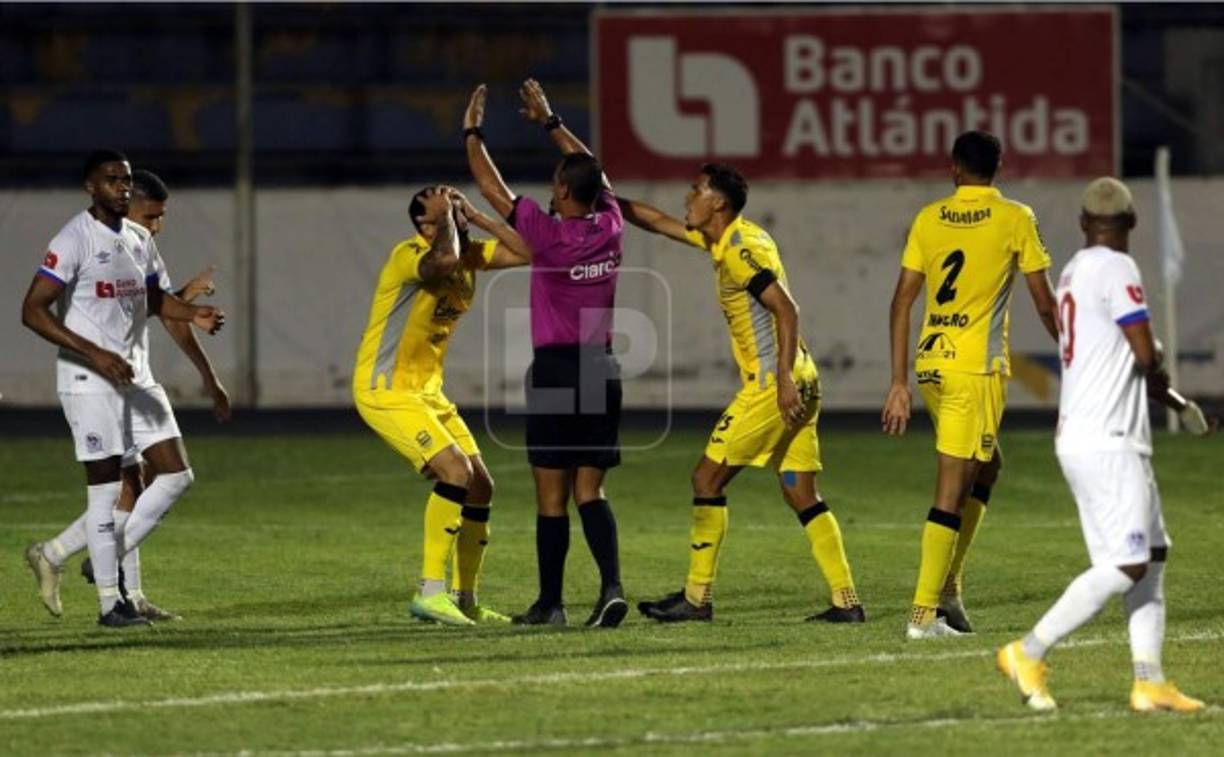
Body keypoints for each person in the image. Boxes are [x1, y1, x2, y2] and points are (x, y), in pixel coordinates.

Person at [997, 177, 1212, 712]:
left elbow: (1118, 357)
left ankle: (1149, 680)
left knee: (1152, 554)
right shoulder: (1118, 268)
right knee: (1129, 564)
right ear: (1132, 222)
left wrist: (1163, 390)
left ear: (1083, 223)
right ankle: (1029, 650)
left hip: (1091, 435)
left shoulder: (1073, 272)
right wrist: (1159, 361)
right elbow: (1142, 356)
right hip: (1107, 440)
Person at [618, 165, 865, 624]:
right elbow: (653, 220)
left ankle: (696, 599)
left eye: (696, 190)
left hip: (776, 386)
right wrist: (599, 189)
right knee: (800, 492)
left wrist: (784, 379)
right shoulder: (727, 238)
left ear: (718, 203)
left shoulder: (739, 249)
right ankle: (846, 602)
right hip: (804, 379)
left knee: (705, 481)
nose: (687, 197)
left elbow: (787, 309)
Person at [20, 150, 224, 627]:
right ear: (90, 186)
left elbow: (152, 298)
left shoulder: (137, 238)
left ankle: (84, 556)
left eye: (126, 180)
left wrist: (190, 310)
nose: (121, 187)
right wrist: (92, 352)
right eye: (111, 180)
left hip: (133, 376)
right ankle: (113, 601)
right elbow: (33, 310)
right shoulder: (74, 239)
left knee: (174, 474)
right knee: (110, 488)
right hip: (89, 379)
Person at [882, 131, 1059, 639]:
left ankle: (950, 588)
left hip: (931, 364)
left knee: (988, 466)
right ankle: (923, 615)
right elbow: (1045, 303)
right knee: (952, 486)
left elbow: (901, 302)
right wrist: (1075, 351)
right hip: (973, 371)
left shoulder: (929, 217)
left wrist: (898, 382)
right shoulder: (1016, 218)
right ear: (999, 167)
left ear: (954, 168)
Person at [464, 79, 628, 627]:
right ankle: (610, 587)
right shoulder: (610, 225)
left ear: (560, 189)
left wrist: (471, 132)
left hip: (558, 368)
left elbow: (489, 186)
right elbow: (593, 172)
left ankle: (550, 604)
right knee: (591, 489)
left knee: (550, 494)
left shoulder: (546, 234)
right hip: (601, 367)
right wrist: (552, 122)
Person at [352, 183, 531, 626]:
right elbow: (443, 261)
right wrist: (447, 221)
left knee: (481, 486)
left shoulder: (466, 253)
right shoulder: (410, 255)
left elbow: (528, 252)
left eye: (454, 209)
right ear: (423, 226)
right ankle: (429, 592)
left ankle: (463, 597)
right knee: (456, 472)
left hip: (427, 391)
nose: (454, 216)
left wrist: (478, 214)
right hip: (386, 390)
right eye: (440, 213)